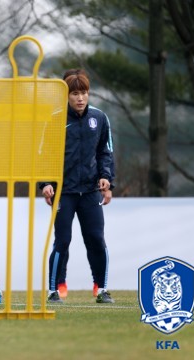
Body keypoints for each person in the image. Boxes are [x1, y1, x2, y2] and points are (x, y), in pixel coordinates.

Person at [42, 70, 115, 304]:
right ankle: (55, 289)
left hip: (91, 192)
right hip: (65, 192)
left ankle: (101, 288)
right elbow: (45, 155)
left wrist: (106, 179)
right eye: (74, 93)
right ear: (67, 95)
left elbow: (106, 152)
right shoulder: (55, 119)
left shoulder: (100, 118)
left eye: (83, 93)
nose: (80, 98)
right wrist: (45, 184)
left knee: (96, 238)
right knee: (62, 240)